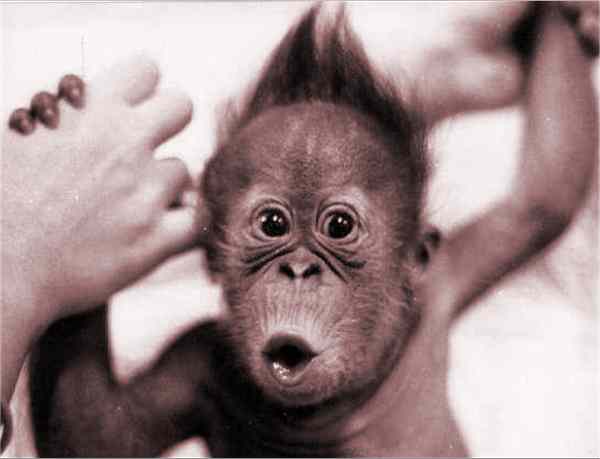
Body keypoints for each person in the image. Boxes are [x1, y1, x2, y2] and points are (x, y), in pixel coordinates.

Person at [1, 2, 597, 454]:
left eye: (339, 227)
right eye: (271, 225)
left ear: (414, 258)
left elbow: (542, 204)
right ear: (214, 259)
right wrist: (76, 271)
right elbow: (89, 447)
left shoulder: (431, 298)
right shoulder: (207, 368)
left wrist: (555, 20)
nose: (299, 265)